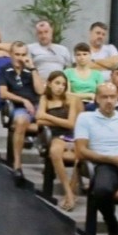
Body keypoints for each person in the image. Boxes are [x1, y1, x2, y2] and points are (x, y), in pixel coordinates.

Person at [73, 83, 118, 235]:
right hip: (103, 163)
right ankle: (112, 225)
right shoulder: (85, 118)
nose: (109, 101)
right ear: (96, 99)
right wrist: (111, 159)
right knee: (102, 190)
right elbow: (81, 151)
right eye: (104, 97)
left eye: (112, 97)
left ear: (117, 99)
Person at [35, 72, 82, 207]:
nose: (60, 87)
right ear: (49, 83)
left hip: (71, 134)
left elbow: (71, 124)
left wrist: (47, 116)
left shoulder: (71, 100)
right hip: (55, 136)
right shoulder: (44, 98)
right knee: (55, 151)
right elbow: (38, 121)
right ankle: (68, 193)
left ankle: (72, 192)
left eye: (63, 84)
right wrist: (60, 121)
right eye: (57, 83)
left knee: (81, 155)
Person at [0, 43, 42, 173]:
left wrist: (33, 69)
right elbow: (3, 93)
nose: (20, 58)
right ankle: (17, 163)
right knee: (21, 121)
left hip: (37, 106)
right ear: (11, 55)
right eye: (17, 54)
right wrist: (24, 100)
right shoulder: (5, 70)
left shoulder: (31, 70)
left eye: (23, 55)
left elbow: (40, 91)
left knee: (51, 123)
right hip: (18, 107)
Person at [27, 18, 71, 82]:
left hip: (60, 86)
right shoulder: (30, 48)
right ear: (36, 34)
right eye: (40, 33)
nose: (43, 36)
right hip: (40, 85)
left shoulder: (63, 49)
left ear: (52, 31)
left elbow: (69, 70)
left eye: (46, 32)